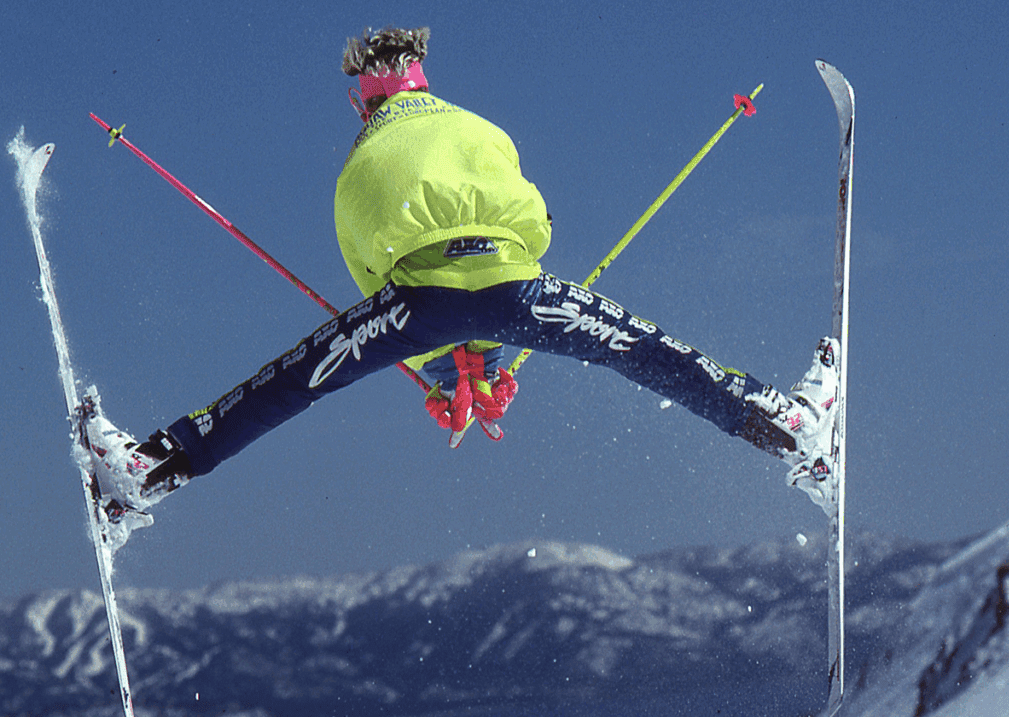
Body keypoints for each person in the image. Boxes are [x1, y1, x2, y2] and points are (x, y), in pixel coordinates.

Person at [87, 27, 840, 534]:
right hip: (520, 287)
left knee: (293, 382)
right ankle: (787, 427)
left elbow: (375, 275)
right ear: (422, 82)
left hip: (421, 301)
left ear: (365, 101)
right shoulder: (480, 127)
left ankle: (149, 470)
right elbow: (535, 228)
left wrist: (449, 370)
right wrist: (478, 348)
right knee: (647, 354)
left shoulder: (362, 161)